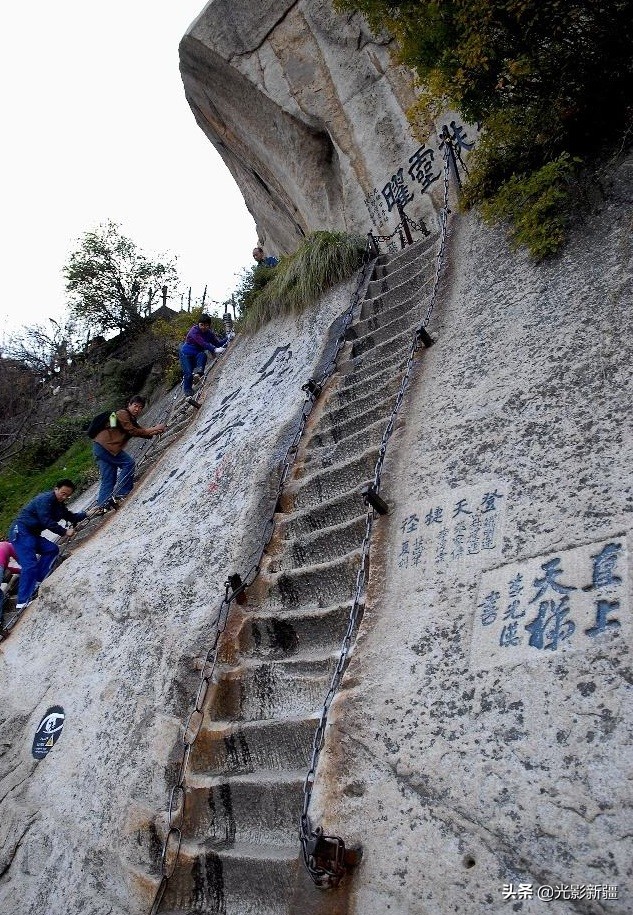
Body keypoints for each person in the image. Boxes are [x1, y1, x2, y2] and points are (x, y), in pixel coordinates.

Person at [8, 479, 88, 611]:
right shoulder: (44, 499)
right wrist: (64, 531)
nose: (64, 497)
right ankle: (22, 601)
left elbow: (70, 516)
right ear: (56, 489)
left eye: (68, 496)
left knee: (51, 549)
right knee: (29, 564)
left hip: (33, 534)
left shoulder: (59, 505)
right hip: (21, 531)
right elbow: (46, 520)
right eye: (63, 493)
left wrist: (86, 514)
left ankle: (40, 577)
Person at [92, 395, 166, 509]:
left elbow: (142, 432)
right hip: (106, 446)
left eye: (140, 407)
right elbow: (132, 431)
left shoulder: (131, 419)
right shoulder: (122, 413)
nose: (137, 409)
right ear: (129, 405)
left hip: (101, 447)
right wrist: (154, 428)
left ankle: (102, 506)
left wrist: (156, 430)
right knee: (128, 463)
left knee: (108, 478)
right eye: (135, 406)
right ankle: (122, 492)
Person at [179, 314, 228, 399]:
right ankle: (188, 391)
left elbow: (218, 343)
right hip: (186, 354)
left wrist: (228, 338)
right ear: (198, 324)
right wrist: (214, 349)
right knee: (188, 374)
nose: (203, 327)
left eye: (206, 325)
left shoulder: (209, 334)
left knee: (203, 355)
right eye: (201, 325)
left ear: (209, 325)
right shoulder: (194, 331)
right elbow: (202, 343)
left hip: (197, 354)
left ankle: (197, 375)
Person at [0, 540, 19, 628]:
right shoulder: (10, 546)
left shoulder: (2, 548)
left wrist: (20, 571)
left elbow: (8, 569)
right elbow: (20, 559)